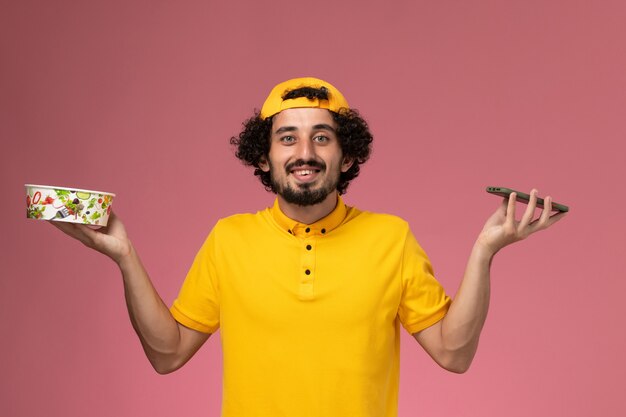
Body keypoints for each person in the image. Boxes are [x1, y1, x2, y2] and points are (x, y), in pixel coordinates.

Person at [52, 77, 566, 417]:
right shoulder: (229, 239)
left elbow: (454, 355)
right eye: (287, 138)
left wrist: (484, 251)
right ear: (263, 158)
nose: (305, 152)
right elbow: (167, 355)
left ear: (346, 157)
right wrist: (123, 254)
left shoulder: (392, 237)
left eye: (322, 137)